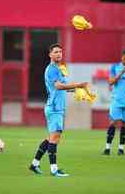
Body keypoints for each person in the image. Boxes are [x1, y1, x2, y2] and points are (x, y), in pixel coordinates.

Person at [29, 43, 88, 177]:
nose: (58, 54)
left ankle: (34, 164)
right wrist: (78, 84)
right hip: (55, 107)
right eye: (55, 52)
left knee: (50, 138)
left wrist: (78, 91)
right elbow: (58, 86)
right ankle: (54, 170)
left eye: (60, 51)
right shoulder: (52, 69)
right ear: (50, 54)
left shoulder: (58, 69)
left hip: (56, 107)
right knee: (55, 138)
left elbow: (62, 88)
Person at [103, 50, 125, 155]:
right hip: (117, 99)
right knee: (113, 122)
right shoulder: (115, 67)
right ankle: (107, 148)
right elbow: (111, 82)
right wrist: (120, 73)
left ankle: (121, 149)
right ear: (122, 57)